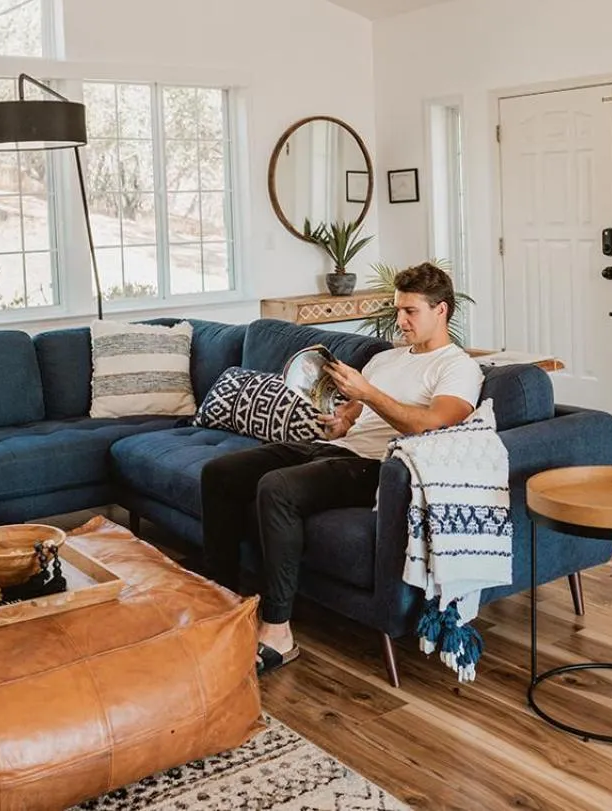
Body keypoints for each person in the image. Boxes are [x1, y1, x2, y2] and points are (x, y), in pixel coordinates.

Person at [199, 262, 483, 674]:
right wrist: (337, 421)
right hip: (333, 450)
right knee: (220, 473)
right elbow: (349, 419)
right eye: (398, 309)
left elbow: (431, 425)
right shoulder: (387, 359)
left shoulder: (456, 367)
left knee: (276, 489)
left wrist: (367, 391)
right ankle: (221, 601)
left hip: (378, 467)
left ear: (441, 311)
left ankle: (278, 630)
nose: (400, 320)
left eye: (411, 312)